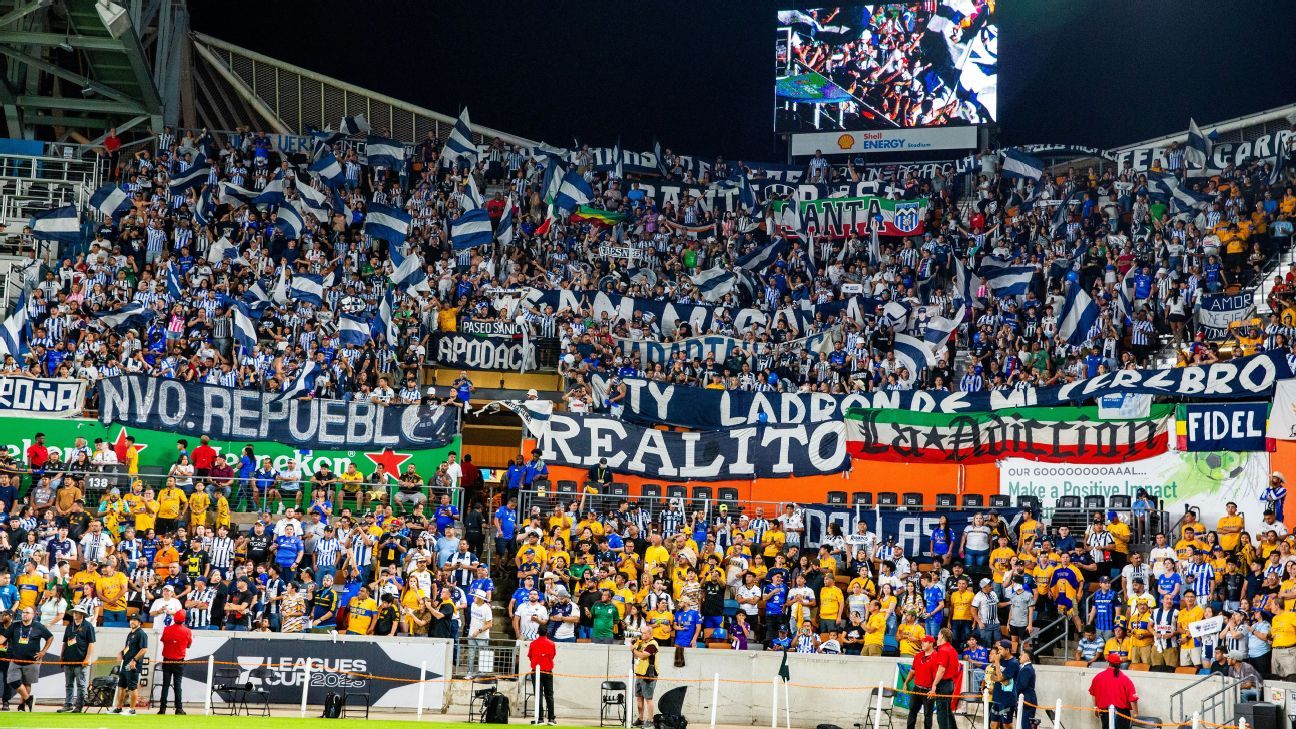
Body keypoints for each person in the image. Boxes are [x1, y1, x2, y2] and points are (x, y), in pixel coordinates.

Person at [8, 606, 53, 712]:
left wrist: (43, 651)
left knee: (27, 683)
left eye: (27, 612)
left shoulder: (38, 626)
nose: (24, 614)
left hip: (32, 660)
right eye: (23, 612)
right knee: (12, 680)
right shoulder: (15, 625)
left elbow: (50, 637)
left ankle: (22, 706)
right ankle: (29, 699)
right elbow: (3, 638)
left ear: (33, 615)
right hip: (16, 659)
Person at [58, 605, 96, 713]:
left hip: (80, 661)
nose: (75, 614)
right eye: (74, 612)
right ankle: (68, 704)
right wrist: (62, 656)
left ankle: (79, 705)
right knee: (69, 684)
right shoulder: (69, 626)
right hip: (68, 660)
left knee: (81, 684)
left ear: (82, 614)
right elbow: (65, 642)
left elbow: (91, 644)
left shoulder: (88, 626)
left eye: (77, 612)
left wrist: (87, 658)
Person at [110, 612, 149, 715]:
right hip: (125, 663)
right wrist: (121, 652)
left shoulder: (141, 633)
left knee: (132, 687)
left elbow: (144, 649)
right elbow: (129, 648)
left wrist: (134, 660)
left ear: (140, 622)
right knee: (121, 686)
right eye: (131, 620)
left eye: (135, 620)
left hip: (133, 665)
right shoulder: (130, 634)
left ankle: (132, 710)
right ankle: (119, 708)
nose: (132, 621)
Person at [1089, 653, 1139, 729]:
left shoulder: (1098, 677)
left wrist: (1095, 707)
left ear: (1108, 662)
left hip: (1105, 712)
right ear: (1119, 664)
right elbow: (1133, 699)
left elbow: (1093, 693)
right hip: (1121, 714)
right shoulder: (1124, 679)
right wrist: (1135, 714)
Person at [157, 608, 193, 714]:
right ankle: (179, 708)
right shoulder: (187, 631)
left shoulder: (167, 629)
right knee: (178, 685)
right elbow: (189, 645)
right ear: (184, 620)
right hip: (179, 661)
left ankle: (162, 708)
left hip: (167, 660)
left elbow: (163, 640)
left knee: (165, 685)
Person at [632, 625, 660, 727]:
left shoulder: (653, 644)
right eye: (641, 632)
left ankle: (650, 720)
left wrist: (633, 650)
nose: (641, 635)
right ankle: (640, 719)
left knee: (648, 698)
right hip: (639, 673)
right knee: (639, 698)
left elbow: (643, 655)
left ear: (649, 633)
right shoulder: (641, 643)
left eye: (643, 633)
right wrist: (633, 645)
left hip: (649, 674)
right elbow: (636, 655)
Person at [527, 630, 557, 725]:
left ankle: (540, 718)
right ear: (547, 632)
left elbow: (530, 656)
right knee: (549, 695)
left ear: (538, 632)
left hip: (536, 672)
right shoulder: (551, 644)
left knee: (538, 695)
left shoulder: (533, 643)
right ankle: (551, 719)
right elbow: (552, 656)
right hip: (547, 672)